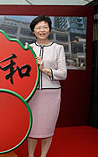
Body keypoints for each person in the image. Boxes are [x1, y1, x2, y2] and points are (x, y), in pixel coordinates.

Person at [27, 15, 67, 157]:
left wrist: (45, 69)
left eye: (45, 27)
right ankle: (31, 155)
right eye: (38, 27)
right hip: (32, 94)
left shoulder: (58, 48)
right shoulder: (28, 48)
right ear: (33, 31)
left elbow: (63, 74)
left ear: (49, 29)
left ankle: (43, 155)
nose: (42, 30)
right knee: (32, 129)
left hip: (51, 95)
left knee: (47, 129)